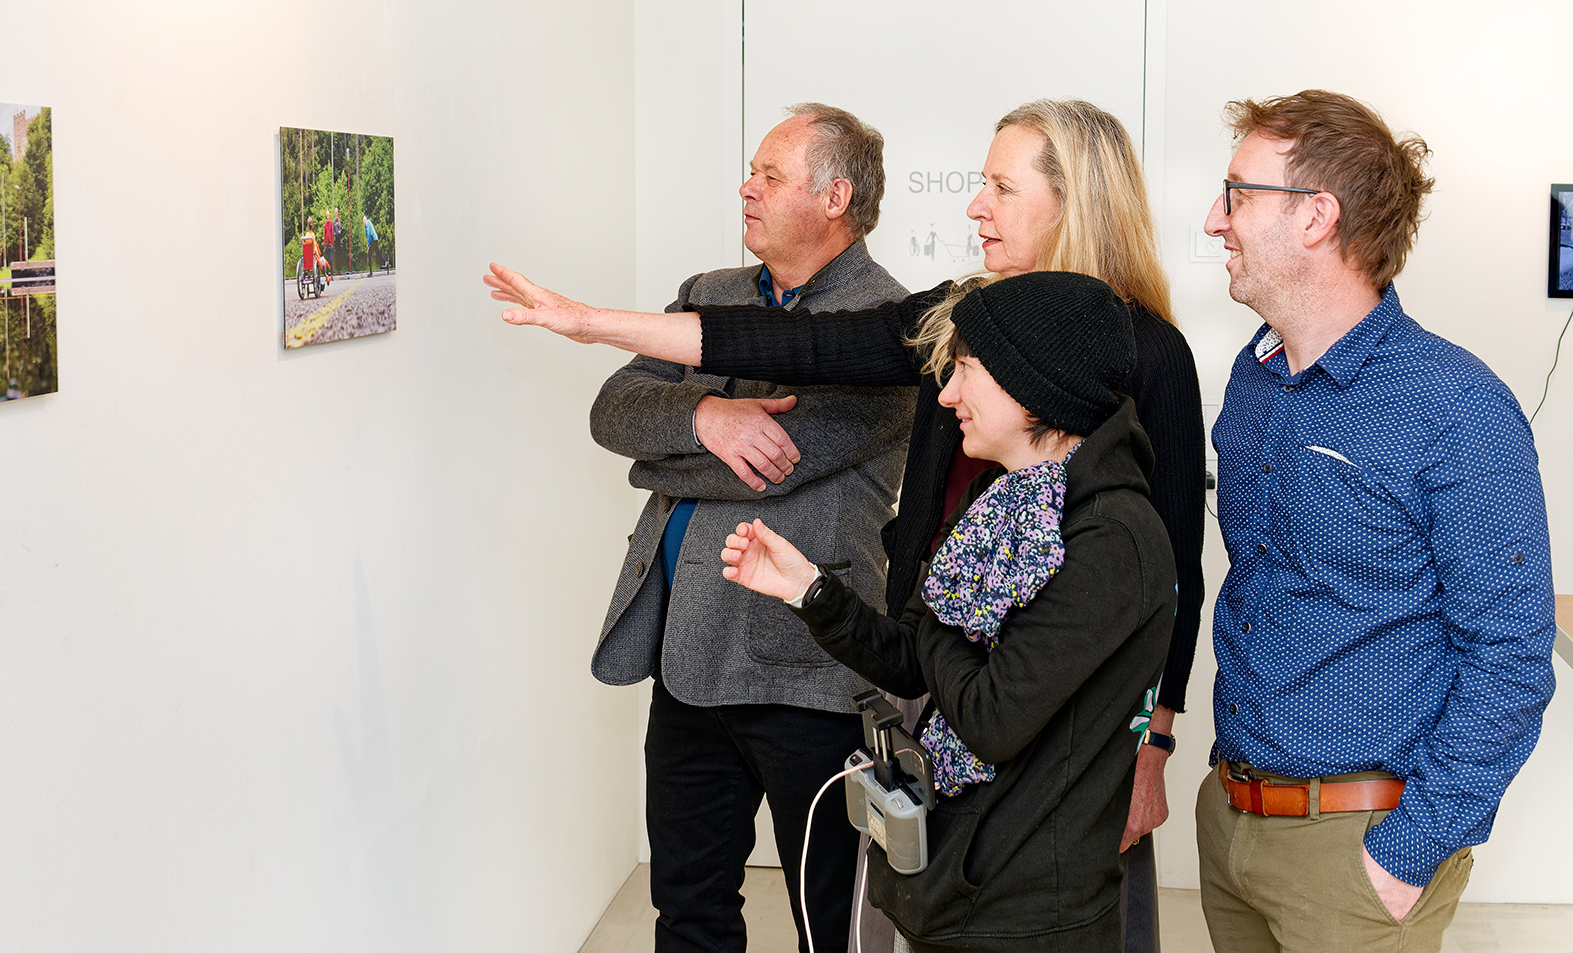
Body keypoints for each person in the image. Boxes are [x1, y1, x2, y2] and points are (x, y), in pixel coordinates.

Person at [486, 98, 1205, 952]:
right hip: (933, 668)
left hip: (1048, 707)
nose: (976, 205)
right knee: (933, 900)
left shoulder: (1145, 361)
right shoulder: (957, 313)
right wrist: (599, 331)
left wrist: (1155, 740)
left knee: (1041, 905)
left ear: (1073, 199)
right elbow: (801, 349)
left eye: (1001, 188)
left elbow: (1168, 571)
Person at [1195, 90, 1557, 952]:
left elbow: (1511, 656)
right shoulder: (1253, 380)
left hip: (1359, 849)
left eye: (1237, 193)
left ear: (1316, 216)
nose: (1215, 220)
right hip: (1232, 817)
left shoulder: (1456, 406)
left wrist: (1405, 855)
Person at [722, 272, 1176, 951]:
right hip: (960, 890)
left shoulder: (1111, 537)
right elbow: (912, 662)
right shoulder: (999, 499)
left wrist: (938, 616)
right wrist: (810, 590)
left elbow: (992, 718)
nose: (946, 394)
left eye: (967, 370)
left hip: (1030, 920)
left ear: (1034, 385)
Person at [590, 103, 913, 953]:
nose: (748, 188)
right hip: (687, 660)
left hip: (810, 671)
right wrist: (706, 417)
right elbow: (612, 408)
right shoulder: (709, 295)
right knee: (688, 911)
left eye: (770, 175)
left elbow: (782, 460)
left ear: (835, 197)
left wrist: (665, 455)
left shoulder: (890, 326)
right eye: (752, 172)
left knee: (833, 924)